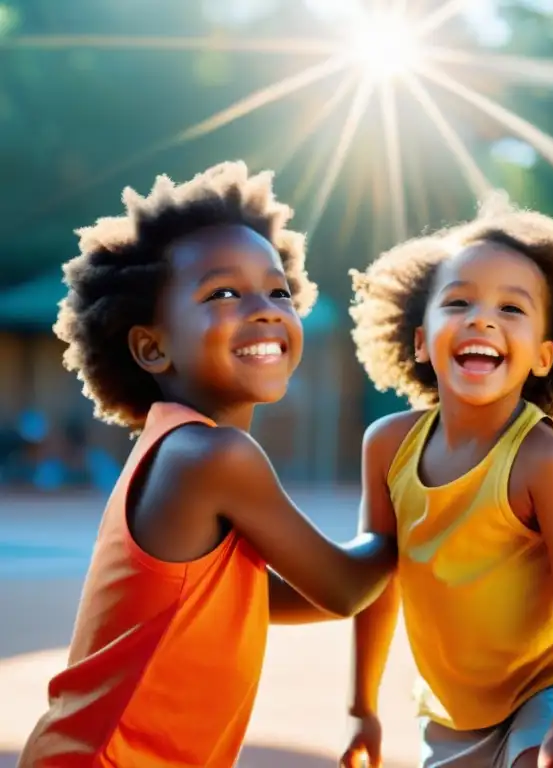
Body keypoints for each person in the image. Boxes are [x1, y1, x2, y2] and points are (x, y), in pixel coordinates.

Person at [17, 162, 397, 768]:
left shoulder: (173, 445)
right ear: (151, 346)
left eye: (278, 291)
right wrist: (400, 502)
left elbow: (256, 598)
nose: (266, 308)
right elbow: (345, 587)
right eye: (223, 293)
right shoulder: (214, 457)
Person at [342, 194, 553, 768]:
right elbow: (375, 583)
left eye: (512, 308)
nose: (482, 318)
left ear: (545, 356)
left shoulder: (540, 458)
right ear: (422, 341)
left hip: (552, 685)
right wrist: (361, 706)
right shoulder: (386, 446)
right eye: (458, 302)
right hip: (454, 710)